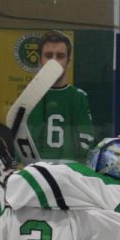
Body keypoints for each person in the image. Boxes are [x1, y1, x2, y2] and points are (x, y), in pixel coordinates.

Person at [24, 31, 94, 163]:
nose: (54, 61)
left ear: (68, 62)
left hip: (68, 175)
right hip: (37, 172)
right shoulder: (29, 97)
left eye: (60, 56)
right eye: (48, 56)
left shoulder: (78, 97)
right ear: (40, 60)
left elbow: (87, 141)